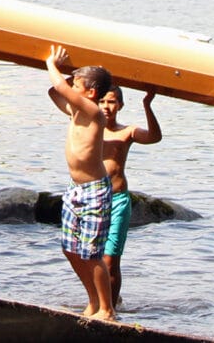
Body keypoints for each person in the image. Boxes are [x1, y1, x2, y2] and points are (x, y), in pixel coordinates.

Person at [45, 45, 115, 320]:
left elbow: (61, 88)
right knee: (70, 249)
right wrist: (61, 76)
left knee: (91, 253)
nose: (71, 88)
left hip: (95, 191)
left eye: (78, 85)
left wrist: (52, 64)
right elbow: (55, 91)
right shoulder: (75, 111)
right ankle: (92, 302)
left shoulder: (94, 112)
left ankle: (107, 310)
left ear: (91, 93)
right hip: (75, 189)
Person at [91, 85, 162, 308]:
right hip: (93, 199)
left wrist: (147, 105)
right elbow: (57, 94)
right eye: (102, 101)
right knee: (92, 258)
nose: (106, 106)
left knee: (111, 260)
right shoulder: (88, 127)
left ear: (120, 105)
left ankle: (110, 309)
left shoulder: (127, 131)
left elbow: (154, 137)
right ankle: (99, 302)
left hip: (118, 200)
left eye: (111, 102)